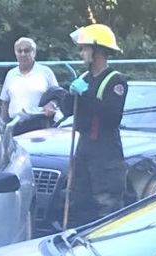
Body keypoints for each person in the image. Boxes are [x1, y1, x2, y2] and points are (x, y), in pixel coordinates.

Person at [48, 24, 128, 227]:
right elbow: (68, 110)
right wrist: (70, 93)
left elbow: (111, 117)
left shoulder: (115, 81)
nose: (81, 53)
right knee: (77, 200)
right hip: (84, 147)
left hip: (106, 151)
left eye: (84, 48)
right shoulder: (83, 78)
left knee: (107, 206)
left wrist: (85, 94)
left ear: (97, 50)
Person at [0, 37, 60, 135]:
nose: (23, 54)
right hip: (15, 125)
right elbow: (5, 102)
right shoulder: (10, 74)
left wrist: (52, 104)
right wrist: (2, 127)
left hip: (40, 125)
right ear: (16, 54)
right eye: (20, 51)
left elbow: (58, 96)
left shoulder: (45, 72)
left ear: (34, 53)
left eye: (27, 51)